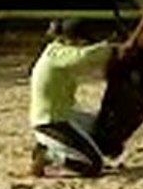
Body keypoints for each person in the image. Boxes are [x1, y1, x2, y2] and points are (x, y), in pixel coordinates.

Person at [29, 19, 115, 177]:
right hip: (51, 122)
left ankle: (55, 149)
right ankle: (49, 155)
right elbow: (85, 56)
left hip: (62, 115)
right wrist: (111, 47)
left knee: (101, 126)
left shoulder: (58, 52)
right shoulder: (58, 55)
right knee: (93, 166)